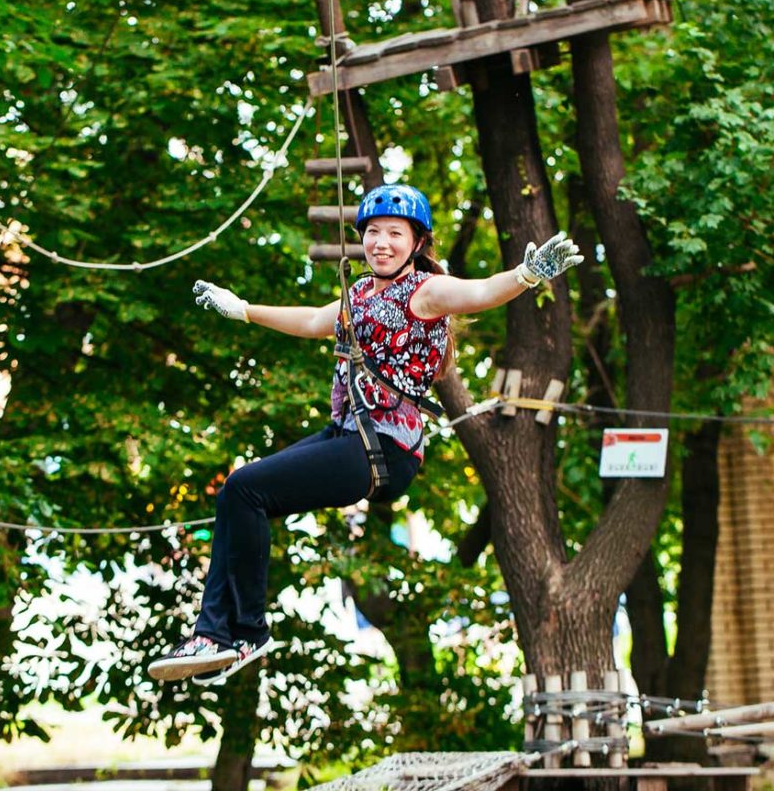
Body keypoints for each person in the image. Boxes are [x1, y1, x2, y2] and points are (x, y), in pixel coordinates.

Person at [148, 184, 582, 684]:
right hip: (348, 435)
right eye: (373, 232)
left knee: (246, 489)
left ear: (417, 243)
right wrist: (244, 309)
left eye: (394, 233)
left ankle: (241, 633)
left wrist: (527, 274)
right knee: (238, 494)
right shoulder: (357, 295)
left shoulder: (425, 290)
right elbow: (313, 320)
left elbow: (481, 291)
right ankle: (219, 637)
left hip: (384, 448)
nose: (381, 242)